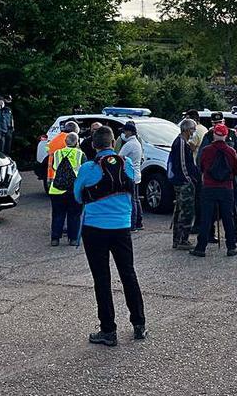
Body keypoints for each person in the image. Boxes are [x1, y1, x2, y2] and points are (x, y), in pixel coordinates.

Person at [73, 127, 145, 346]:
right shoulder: (127, 165)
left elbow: (78, 196)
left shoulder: (87, 168)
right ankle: (139, 324)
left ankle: (108, 330)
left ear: (93, 145)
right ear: (113, 142)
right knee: (128, 274)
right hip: (121, 227)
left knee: (101, 278)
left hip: (95, 227)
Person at [190, 124, 237, 257]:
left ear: (214, 135)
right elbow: (236, 169)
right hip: (226, 187)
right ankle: (231, 246)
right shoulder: (231, 151)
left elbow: (200, 165)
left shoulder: (207, 150)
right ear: (225, 135)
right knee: (228, 217)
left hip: (209, 187)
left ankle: (201, 248)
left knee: (206, 217)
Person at [49, 133, 86, 246]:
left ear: (65, 142)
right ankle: (73, 239)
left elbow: (54, 167)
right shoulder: (80, 154)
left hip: (57, 189)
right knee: (74, 214)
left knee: (57, 214)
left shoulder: (57, 153)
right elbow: (84, 170)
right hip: (74, 189)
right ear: (77, 142)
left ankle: (55, 239)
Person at [168, 119, 199, 250]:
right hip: (183, 183)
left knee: (182, 211)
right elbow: (182, 164)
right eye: (193, 129)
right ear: (187, 130)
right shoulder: (180, 143)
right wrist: (189, 180)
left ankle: (179, 239)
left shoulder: (183, 143)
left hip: (184, 181)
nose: (193, 132)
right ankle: (181, 239)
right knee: (185, 212)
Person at [118, 122, 144, 231]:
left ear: (129, 132)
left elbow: (119, 157)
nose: (123, 133)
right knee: (136, 199)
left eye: (124, 131)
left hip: (130, 175)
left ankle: (132, 225)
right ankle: (138, 222)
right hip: (136, 174)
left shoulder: (129, 144)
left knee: (132, 200)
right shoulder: (136, 143)